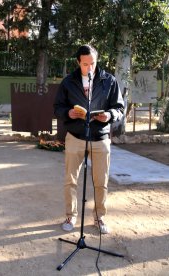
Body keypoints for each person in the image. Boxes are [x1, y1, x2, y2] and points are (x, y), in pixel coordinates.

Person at [53, 45, 124, 234]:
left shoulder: (109, 81)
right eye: (85, 64)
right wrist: (68, 113)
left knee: (101, 181)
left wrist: (109, 115)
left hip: (100, 138)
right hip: (75, 136)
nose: (90, 68)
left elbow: (119, 108)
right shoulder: (68, 82)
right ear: (78, 63)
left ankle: (99, 217)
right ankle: (71, 215)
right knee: (71, 180)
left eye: (92, 63)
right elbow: (57, 107)